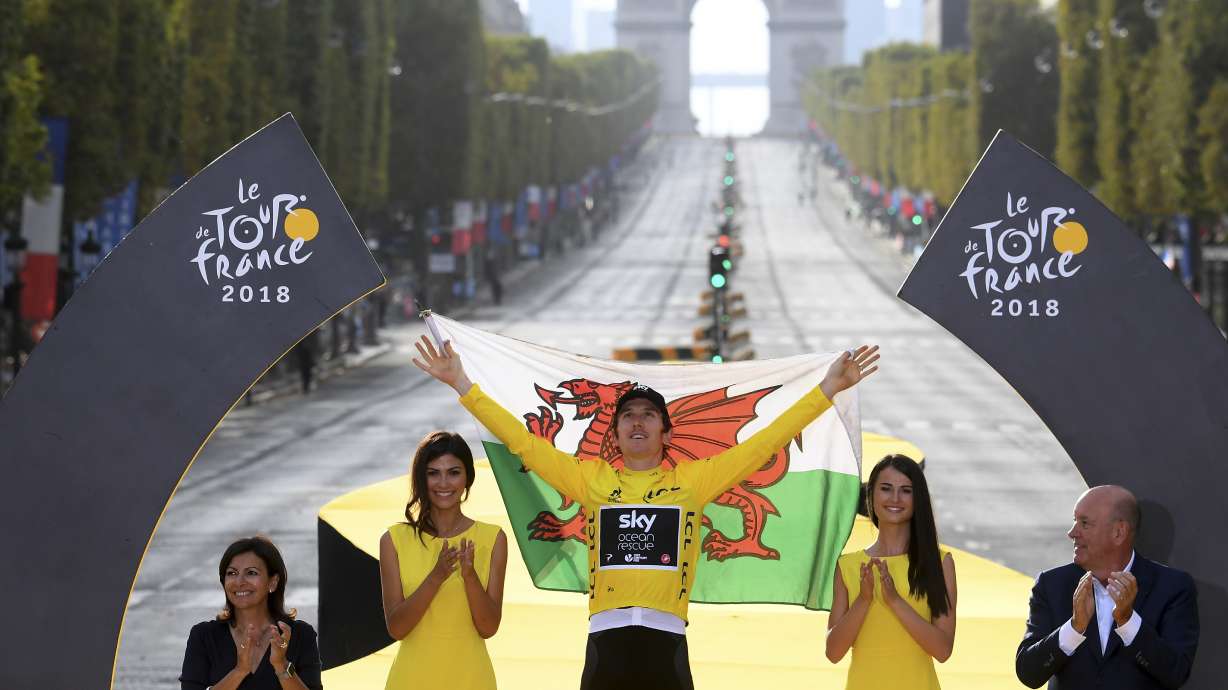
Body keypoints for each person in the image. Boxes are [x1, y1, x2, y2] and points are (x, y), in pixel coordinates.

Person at [412, 335, 878, 690]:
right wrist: (462, 384)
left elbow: (764, 444)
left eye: (648, 415)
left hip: (667, 640)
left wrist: (828, 389)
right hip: (605, 639)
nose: (637, 420)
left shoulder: (693, 482)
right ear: (614, 434)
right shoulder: (591, 481)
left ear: (666, 433)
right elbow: (522, 442)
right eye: (628, 415)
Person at [1015, 485, 1199, 689]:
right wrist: (1074, 628)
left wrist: (1128, 622)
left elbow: (1176, 673)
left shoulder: (1172, 588)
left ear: (1118, 532)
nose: (1072, 532)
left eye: (1085, 523)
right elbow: (1029, 673)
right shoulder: (1052, 584)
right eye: (1074, 521)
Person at [379, 431, 509, 689]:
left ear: (468, 477)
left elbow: (488, 628)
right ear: (421, 478)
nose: (443, 483)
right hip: (411, 680)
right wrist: (436, 576)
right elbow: (397, 629)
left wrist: (470, 577)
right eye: (433, 473)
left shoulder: (493, 538)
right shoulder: (393, 540)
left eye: (453, 472)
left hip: (471, 679)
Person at [825, 455, 957, 689]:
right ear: (871, 495)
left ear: (918, 498)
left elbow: (943, 649)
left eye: (906, 491)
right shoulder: (848, 566)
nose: (895, 498)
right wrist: (864, 600)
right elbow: (833, 652)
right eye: (886, 489)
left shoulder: (939, 563)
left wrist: (895, 601)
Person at [179, 536, 322, 690]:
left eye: (251, 573)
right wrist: (239, 671)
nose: (239, 582)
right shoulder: (203, 636)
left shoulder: (300, 635)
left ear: (273, 582)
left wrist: (282, 665)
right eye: (232, 573)